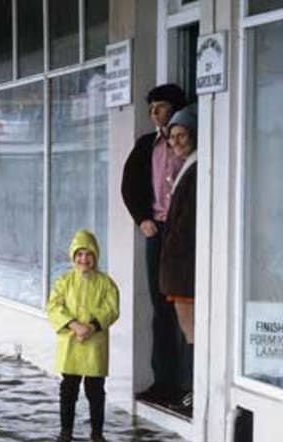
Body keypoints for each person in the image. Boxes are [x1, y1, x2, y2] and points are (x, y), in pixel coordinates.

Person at [121, 83, 188, 407]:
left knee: (185, 305)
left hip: (185, 234)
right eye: (151, 109)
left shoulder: (187, 142)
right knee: (160, 308)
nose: (154, 114)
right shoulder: (147, 144)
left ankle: (188, 383)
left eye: (160, 107)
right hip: (157, 231)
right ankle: (164, 382)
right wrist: (142, 219)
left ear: (176, 108)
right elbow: (129, 184)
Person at [46, 229, 120, 442]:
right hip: (70, 343)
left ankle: (97, 434)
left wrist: (93, 326)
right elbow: (53, 306)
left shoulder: (106, 283)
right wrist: (73, 325)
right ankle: (65, 432)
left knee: (95, 390)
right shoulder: (64, 281)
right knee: (68, 388)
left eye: (88, 254)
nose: (84, 259)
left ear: (95, 256)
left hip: (95, 344)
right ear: (72, 256)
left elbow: (112, 308)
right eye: (79, 254)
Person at [158, 107, 198, 414]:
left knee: (192, 330)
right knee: (188, 329)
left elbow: (186, 223)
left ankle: (193, 389)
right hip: (180, 268)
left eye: (182, 135)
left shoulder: (195, 169)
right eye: (172, 137)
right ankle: (191, 389)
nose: (176, 141)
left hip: (184, 269)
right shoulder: (188, 167)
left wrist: (170, 248)